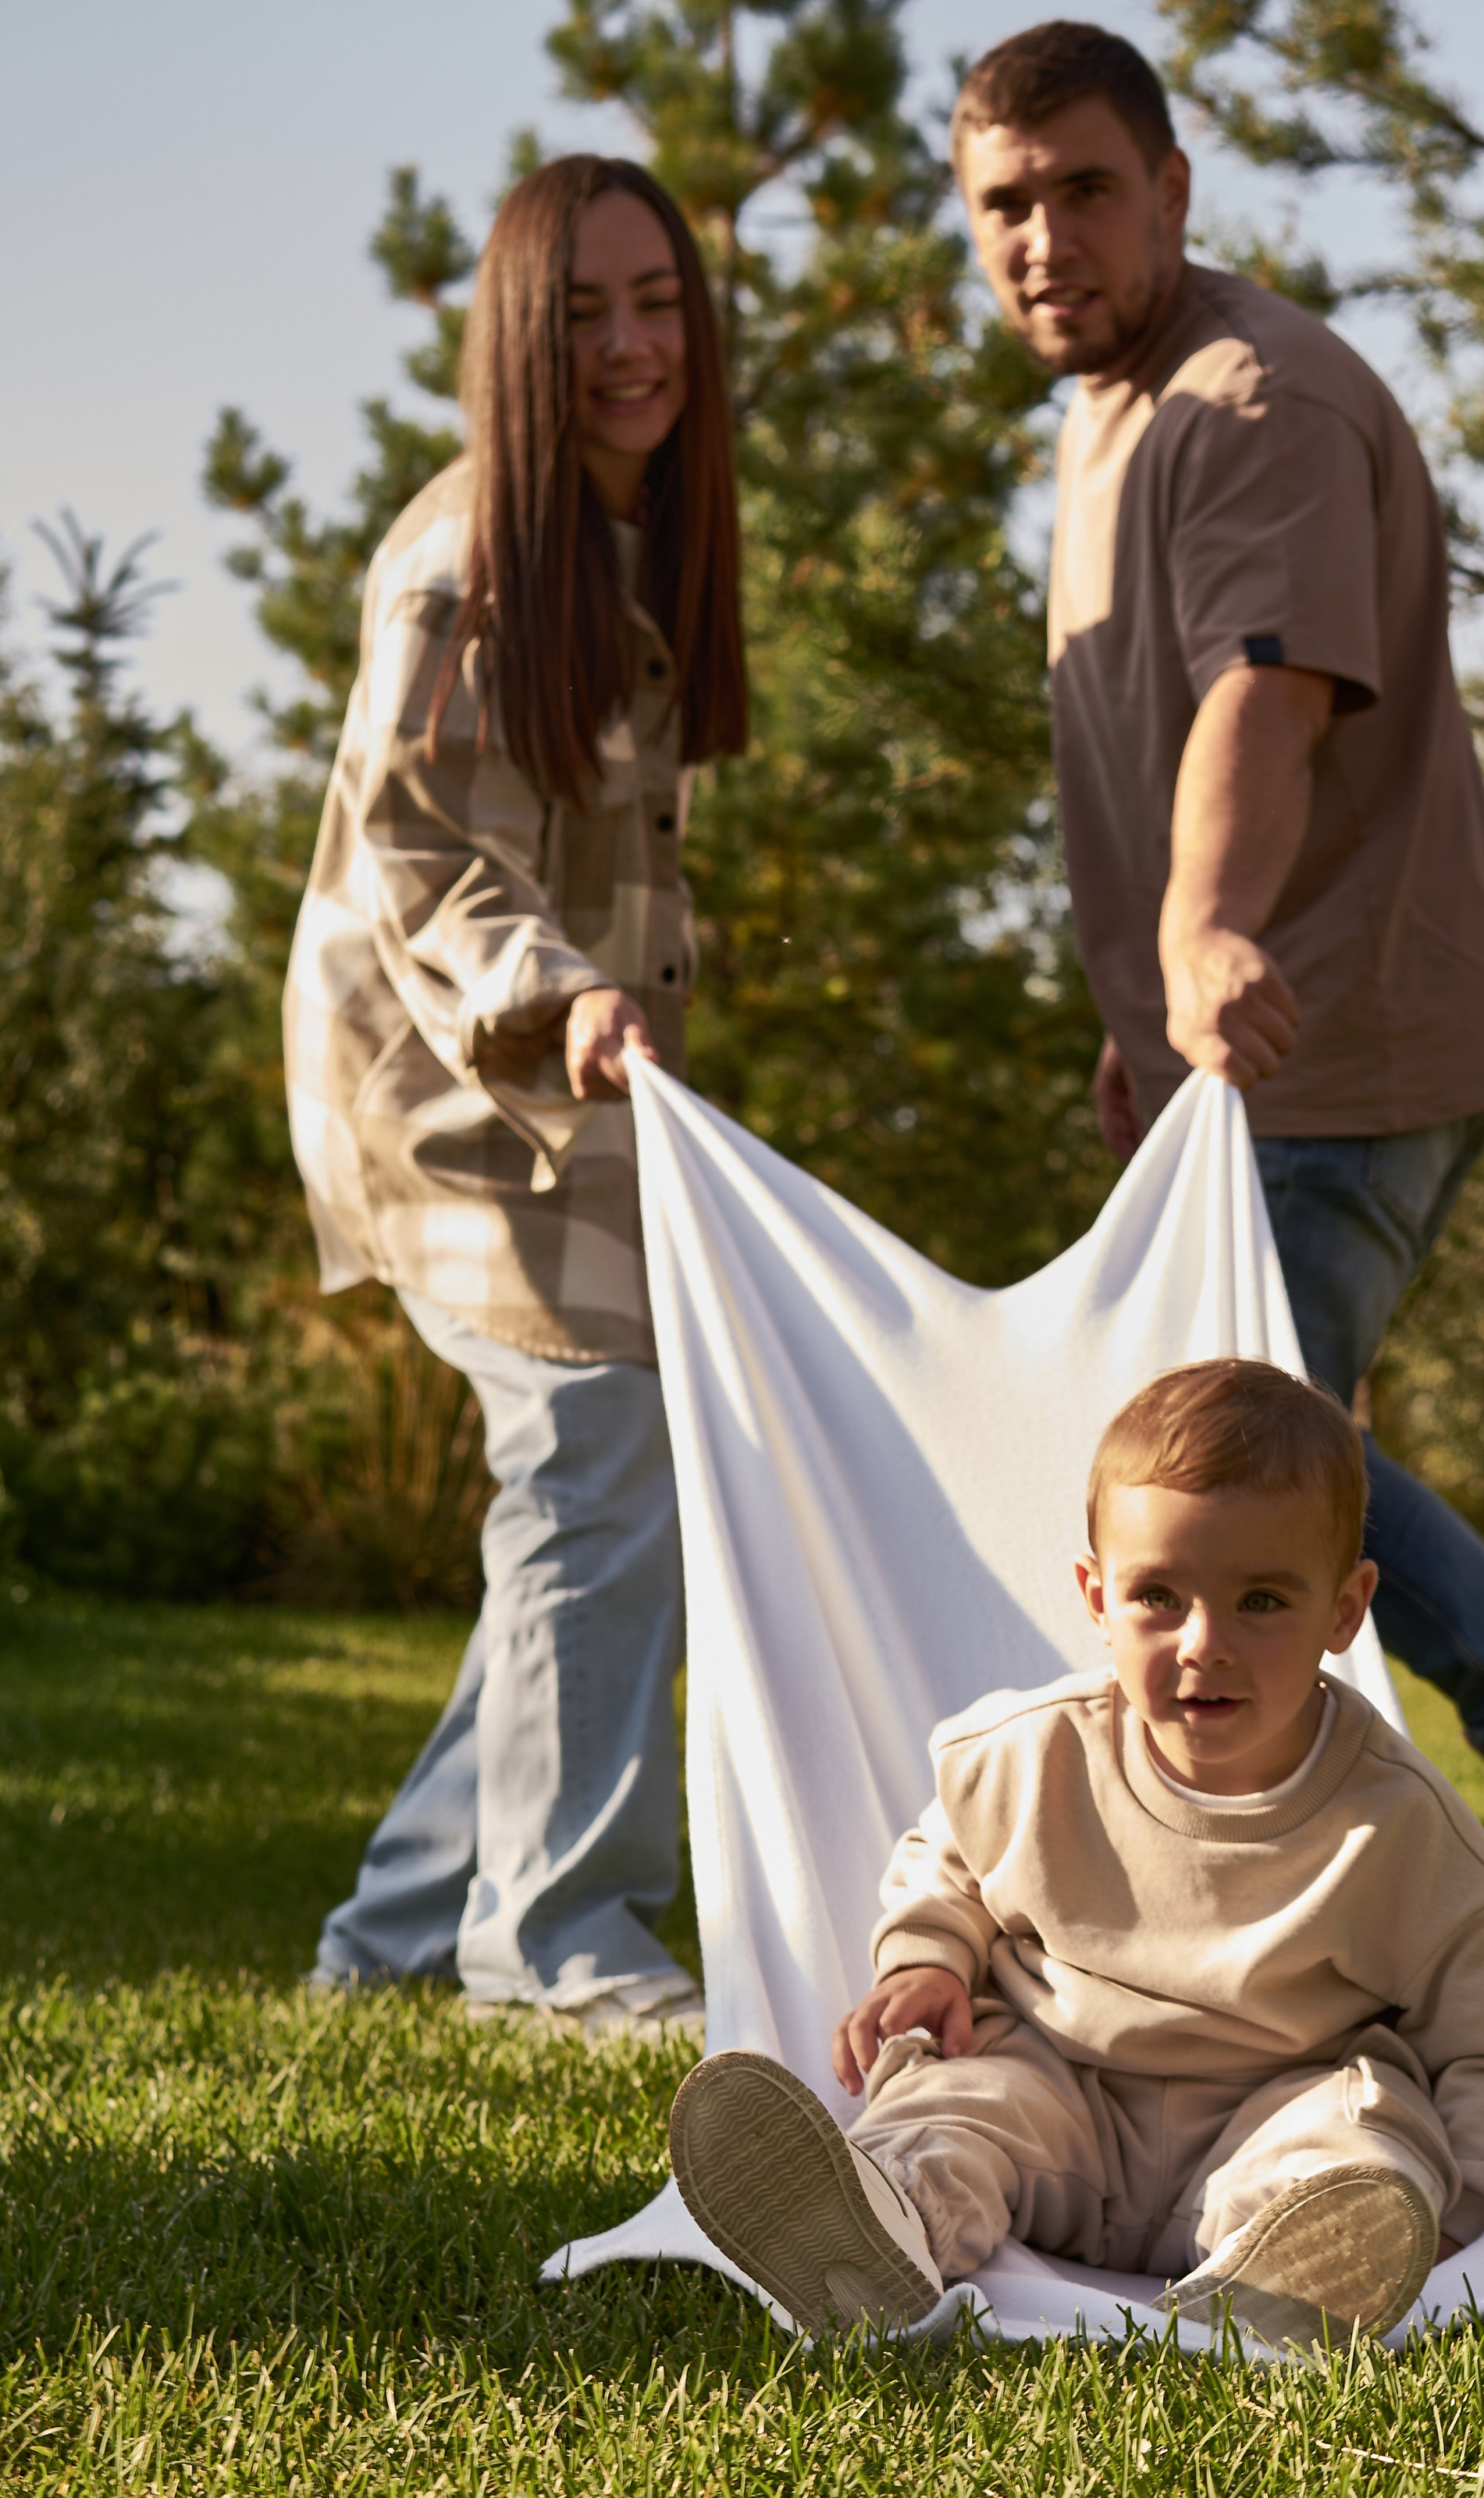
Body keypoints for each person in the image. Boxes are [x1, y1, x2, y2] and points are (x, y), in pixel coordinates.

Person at [944, 23, 1484, 1961]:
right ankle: (1350, 1872)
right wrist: (1148, 1021)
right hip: (1243, 1052)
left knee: (1225, 1442)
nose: (1045, 237)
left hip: (1342, 1028)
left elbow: (1262, 693)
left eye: (1085, 189)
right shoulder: (1113, 412)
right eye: (1003, 206)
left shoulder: (1249, 397)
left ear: (1174, 186)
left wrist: (1205, 929)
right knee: (1241, 1436)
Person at [669, 1360, 1484, 2345]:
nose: (1203, 1642)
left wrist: (1461, 2207)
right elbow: (950, 1854)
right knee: (953, 2102)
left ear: (1345, 1609)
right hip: (1056, 2076)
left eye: (1262, 1600)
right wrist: (926, 1956)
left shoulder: (1398, 1823)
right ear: (1097, 1597)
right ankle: (879, 2226)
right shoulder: (1035, 1752)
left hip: (1269, 2097)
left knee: (1353, 2133)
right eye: (1158, 1597)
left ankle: (1301, 2267)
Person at [289, 155, 747, 2037]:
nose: (633, 346)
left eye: (658, 304)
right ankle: (551, 1939)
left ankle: (399, 1935)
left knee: (593, 1492)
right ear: (518, 340)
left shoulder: (635, 543)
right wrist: (558, 995)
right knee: (590, 1465)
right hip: (450, 1076)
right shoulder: (471, 548)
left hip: (572, 1077)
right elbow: (424, 848)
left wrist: (630, 993)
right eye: (585, 316)